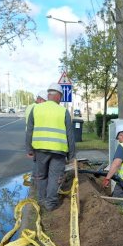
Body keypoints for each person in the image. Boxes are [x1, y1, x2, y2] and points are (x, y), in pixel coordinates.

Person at [26, 83, 75, 211]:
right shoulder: (63, 111)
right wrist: (71, 156)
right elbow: (70, 135)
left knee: (41, 176)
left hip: (40, 150)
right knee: (54, 177)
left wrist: (29, 149)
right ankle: (50, 204)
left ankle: (41, 200)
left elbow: (29, 130)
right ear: (58, 96)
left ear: (49, 95)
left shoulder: (36, 109)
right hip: (58, 151)